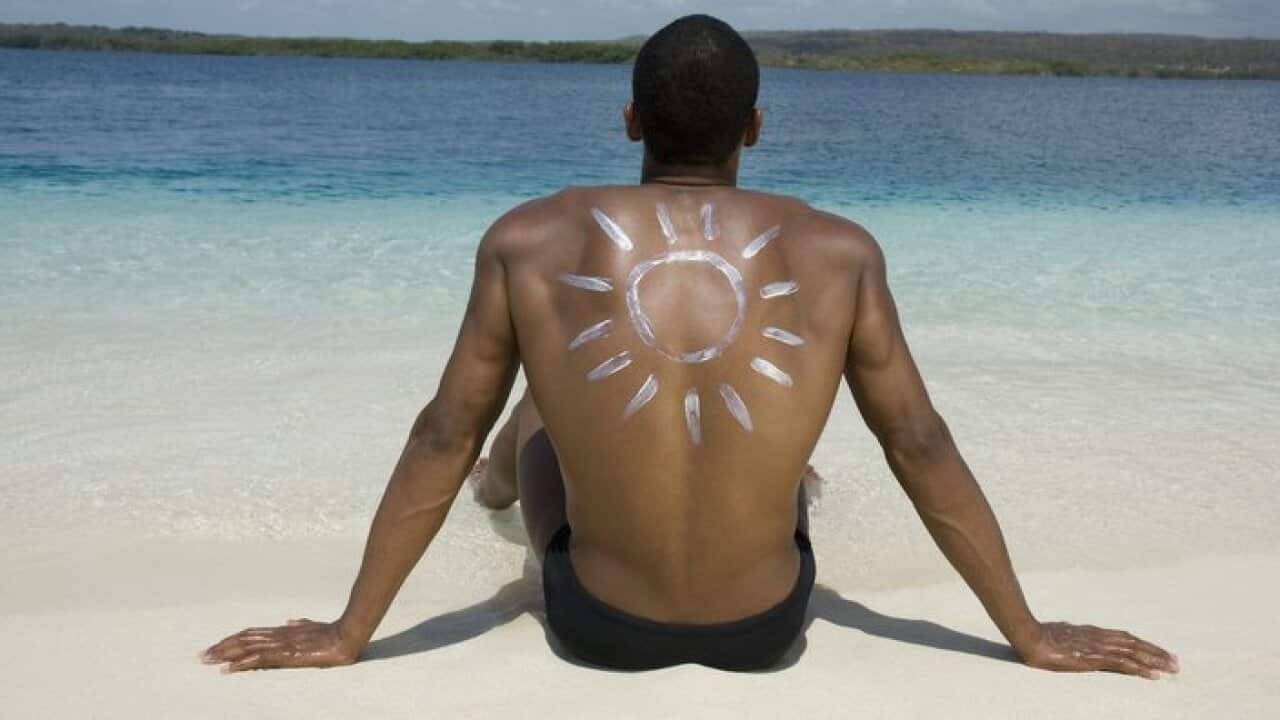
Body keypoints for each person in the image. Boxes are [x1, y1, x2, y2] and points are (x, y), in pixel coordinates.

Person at [202, 14, 1179, 676]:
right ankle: (772, 484)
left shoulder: (525, 238)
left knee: (536, 412)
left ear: (629, 119)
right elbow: (918, 444)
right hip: (765, 631)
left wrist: (347, 632)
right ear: (754, 127)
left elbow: (439, 434)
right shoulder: (839, 252)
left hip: (598, 628)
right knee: (786, 464)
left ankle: (504, 490)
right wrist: (1028, 633)